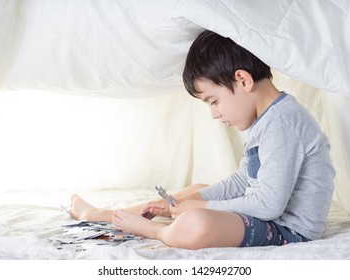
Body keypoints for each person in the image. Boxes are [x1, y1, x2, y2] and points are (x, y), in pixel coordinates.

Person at [70, 30, 335, 250]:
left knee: (198, 220)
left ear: (242, 80)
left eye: (214, 101)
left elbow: (267, 205)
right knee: (196, 191)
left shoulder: (282, 122)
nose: (214, 114)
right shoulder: (267, 120)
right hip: (271, 220)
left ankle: (156, 231)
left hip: (286, 232)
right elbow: (244, 181)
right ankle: (107, 215)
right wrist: (186, 202)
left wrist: (200, 207)